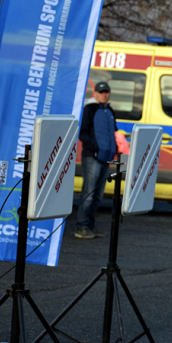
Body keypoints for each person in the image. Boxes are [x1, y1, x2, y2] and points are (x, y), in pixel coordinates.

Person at [76, 81, 118, 239]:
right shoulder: (90, 109)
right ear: (95, 93)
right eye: (101, 92)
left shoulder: (109, 110)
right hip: (92, 157)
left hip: (105, 158)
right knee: (88, 193)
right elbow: (82, 132)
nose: (104, 94)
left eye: (106, 92)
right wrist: (94, 146)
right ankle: (81, 227)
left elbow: (114, 132)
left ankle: (91, 226)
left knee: (98, 195)